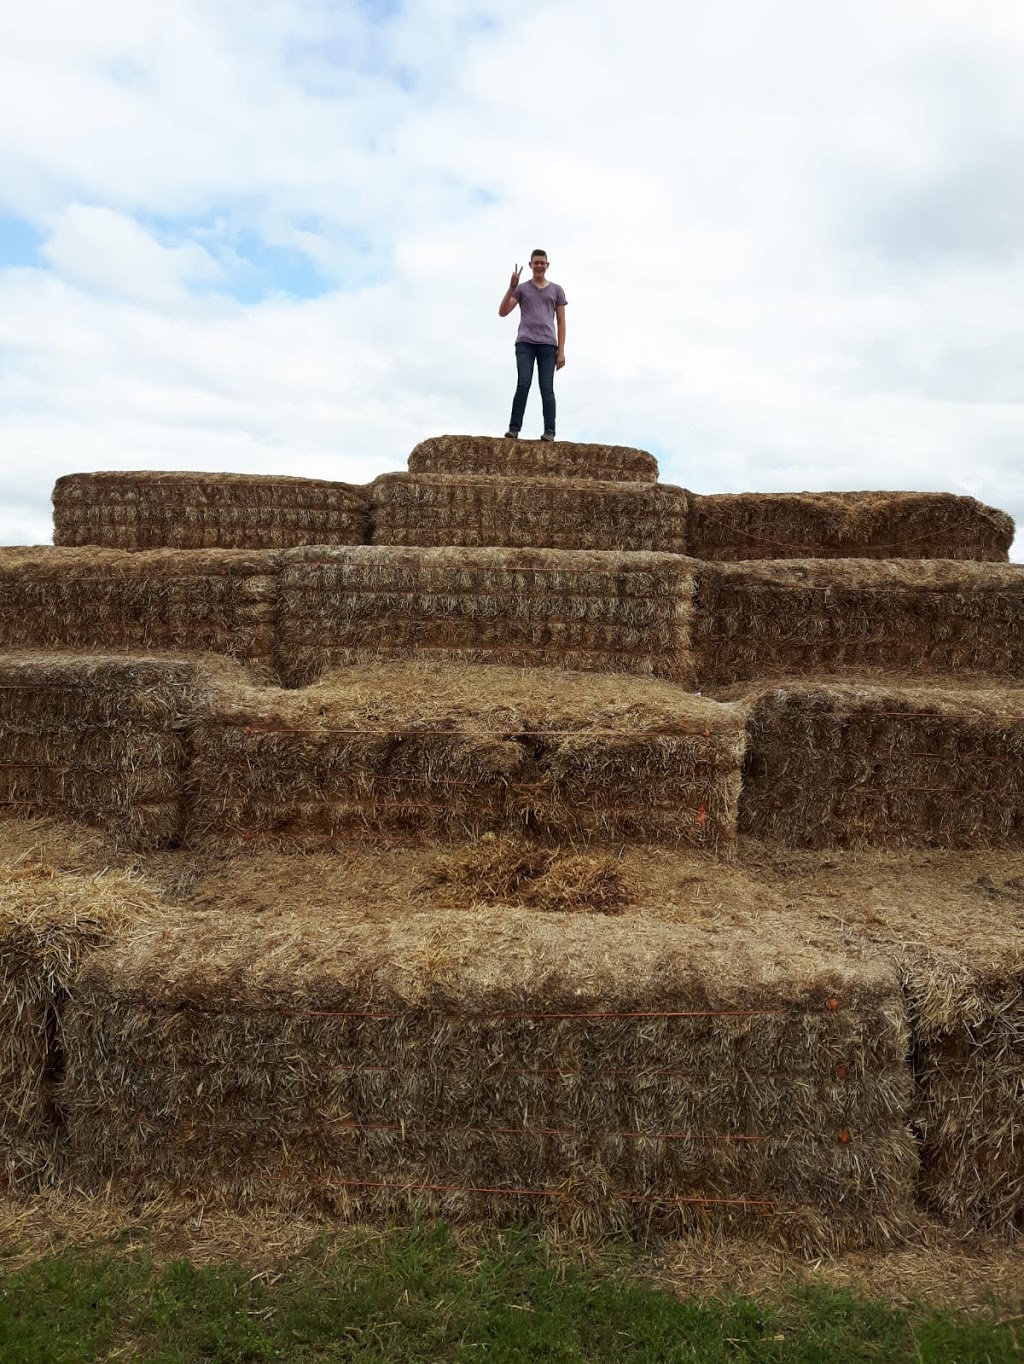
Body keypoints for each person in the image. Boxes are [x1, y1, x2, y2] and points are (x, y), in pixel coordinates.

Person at [498, 249, 566, 441]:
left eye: (542, 263)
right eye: (535, 263)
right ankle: (514, 428)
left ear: (547, 265)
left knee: (547, 387)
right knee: (523, 383)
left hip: (548, 344)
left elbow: (561, 322)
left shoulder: (557, 290)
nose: (539, 266)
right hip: (525, 343)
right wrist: (512, 287)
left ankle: (550, 431)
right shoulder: (522, 289)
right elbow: (503, 312)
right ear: (530, 265)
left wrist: (561, 351)